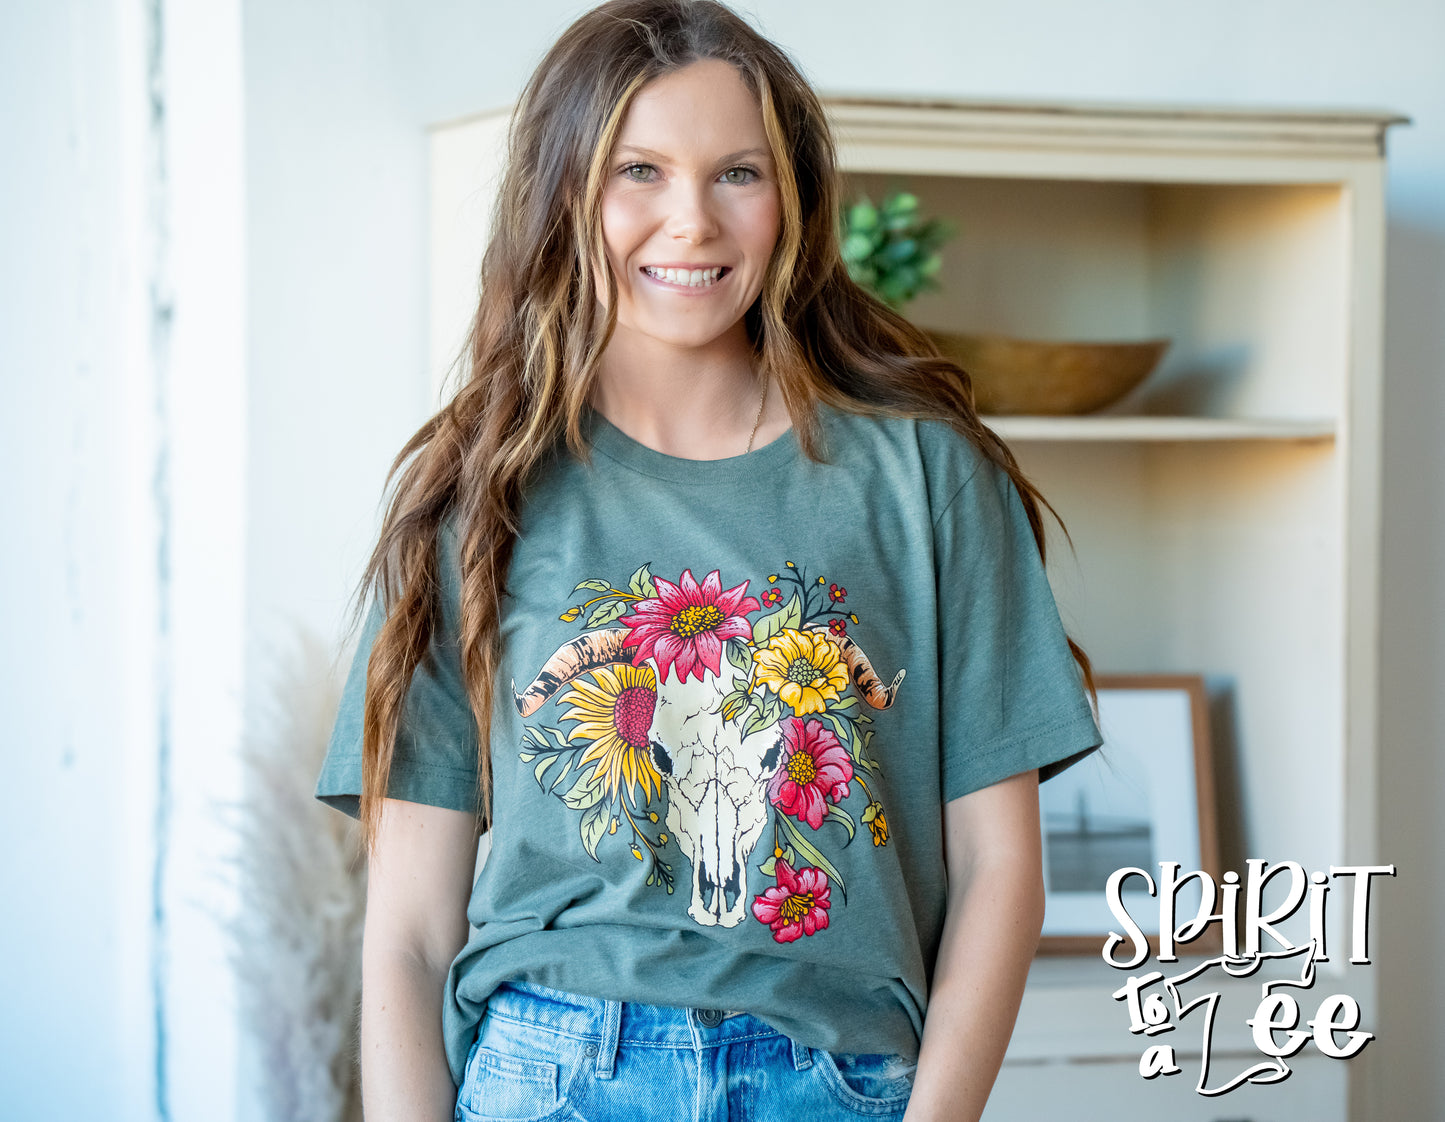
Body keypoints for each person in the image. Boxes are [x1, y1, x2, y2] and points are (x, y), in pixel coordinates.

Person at [314, 1, 1103, 1119]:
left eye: (736, 173)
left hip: (835, 1074)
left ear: (791, 202)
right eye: (639, 170)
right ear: (562, 196)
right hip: (554, 1067)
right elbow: (406, 930)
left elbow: (999, 875)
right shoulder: (474, 494)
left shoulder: (925, 476)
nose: (690, 221)